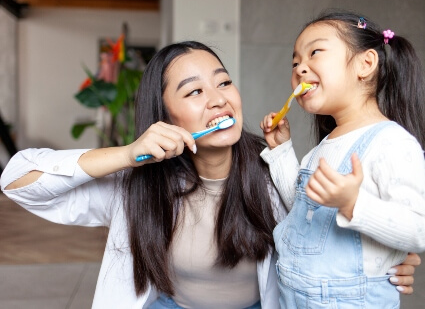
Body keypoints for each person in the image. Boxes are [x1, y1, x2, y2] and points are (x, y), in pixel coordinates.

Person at [0, 41, 418, 309]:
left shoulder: (274, 168)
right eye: (195, 92)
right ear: (164, 117)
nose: (219, 100)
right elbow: (18, 181)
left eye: (224, 83)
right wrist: (128, 154)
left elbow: (326, 232)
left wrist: (384, 256)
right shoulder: (138, 184)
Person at [260, 10, 425, 308]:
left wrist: (354, 204)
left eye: (315, 53)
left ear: (365, 63)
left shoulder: (392, 142)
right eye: (295, 62)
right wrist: (281, 151)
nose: (300, 68)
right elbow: (302, 209)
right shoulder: (324, 145)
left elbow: (419, 230)